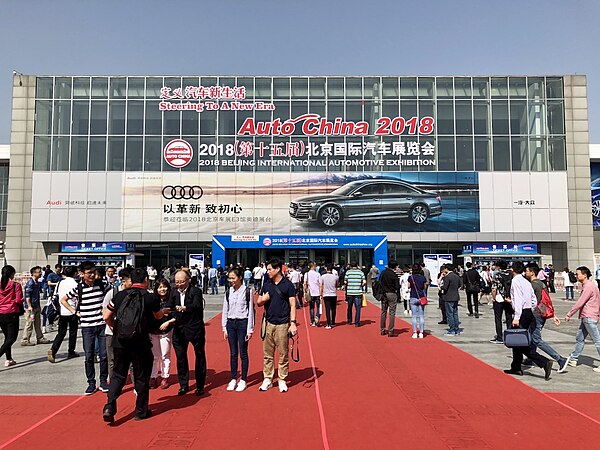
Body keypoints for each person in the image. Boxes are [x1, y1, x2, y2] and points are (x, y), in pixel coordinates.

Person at [102, 268, 165, 423]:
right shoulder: (150, 298)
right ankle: (141, 411)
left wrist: (114, 328)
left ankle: (109, 405)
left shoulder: (120, 295)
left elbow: (106, 316)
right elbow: (158, 316)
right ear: (145, 280)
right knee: (141, 376)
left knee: (118, 374)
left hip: (120, 341)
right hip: (140, 342)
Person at [61, 260, 111, 395]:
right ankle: (91, 383)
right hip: (87, 326)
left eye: (94, 272)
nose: (93, 275)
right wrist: (74, 312)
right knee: (89, 355)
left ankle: (103, 382)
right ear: (81, 274)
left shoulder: (103, 285)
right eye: (89, 273)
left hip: (101, 325)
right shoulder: (79, 288)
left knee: (104, 355)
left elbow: (112, 297)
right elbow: (63, 300)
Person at [503, 261, 552, 381]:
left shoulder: (516, 281)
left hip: (521, 313)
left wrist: (517, 317)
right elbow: (534, 299)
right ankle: (516, 366)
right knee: (518, 341)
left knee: (519, 341)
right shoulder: (526, 281)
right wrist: (530, 309)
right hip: (528, 312)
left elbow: (519, 300)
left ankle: (543, 361)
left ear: (513, 270)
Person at [256, 258, 297, 393]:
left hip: (283, 324)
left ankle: (282, 379)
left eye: (269, 269)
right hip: (268, 323)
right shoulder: (266, 285)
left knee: (283, 353)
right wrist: (263, 299)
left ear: (278, 269)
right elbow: (258, 302)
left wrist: (293, 323)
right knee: (267, 353)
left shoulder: (288, 285)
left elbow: (292, 305)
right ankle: (267, 378)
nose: (267, 271)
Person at [166, 269, 206, 396]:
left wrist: (185, 308)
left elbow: (197, 306)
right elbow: (170, 307)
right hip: (179, 329)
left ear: (188, 281)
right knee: (181, 358)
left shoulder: (195, 291)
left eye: (181, 282)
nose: (179, 284)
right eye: (176, 282)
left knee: (199, 356)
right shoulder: (173, 292)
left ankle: (200, 385)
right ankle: (183, 385)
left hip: (194, 328)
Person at [523, 263, 568, 372]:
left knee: (536, 339)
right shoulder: (541, 284)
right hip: (541, 314)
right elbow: (546, 301)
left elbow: (531, 302)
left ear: (532, 272)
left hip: (536, 315)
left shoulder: (532, 285)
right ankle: (531, 358)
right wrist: (552, 314)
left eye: (527, 271)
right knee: (532, 337)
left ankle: (560, 359)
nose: (525, 273)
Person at [222, 267, 254, 392]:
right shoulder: (229, 291)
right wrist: (224, 327)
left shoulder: (247, 291)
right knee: (233, 353)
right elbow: (225, 309)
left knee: (243, 352)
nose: (231, 280)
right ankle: (233, 378)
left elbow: (250, 311)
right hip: (231, 323)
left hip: (242, 323)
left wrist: (249, 329)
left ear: (240, 277)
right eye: (229, 278)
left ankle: (244, 379)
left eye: (233, 278)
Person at [564, 266, 600, 372]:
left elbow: (580, 302)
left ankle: (574, 358)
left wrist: (569, 314)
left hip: (589, 316)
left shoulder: (588, 286)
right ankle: (574, 358)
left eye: (577, 274)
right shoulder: (591, 285)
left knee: (597, 341)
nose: (576, 275)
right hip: (588, 316)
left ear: (584, 275)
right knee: (580, 338)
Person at [101, 268, 132, 377]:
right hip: (112, 332)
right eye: (131, 280)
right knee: (112, 359)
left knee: (132, 360)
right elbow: (105, 314)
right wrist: (113, 327)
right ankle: (113, 382)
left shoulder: (134, 293)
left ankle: (136, 384)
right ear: (124, 281)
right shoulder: (112, 293)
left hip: (130, 333)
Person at [48, 266, 80, 363]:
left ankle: (53, 350)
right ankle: (71, 351)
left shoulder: (60, 282)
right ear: (74, 273)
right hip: (72, 310)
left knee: (61, 332)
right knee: (73, 332)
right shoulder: (75, 283)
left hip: (62, 310)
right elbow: (77, 297)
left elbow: (56, 294)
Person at [150, 278, 175, 389]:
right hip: (153, 331)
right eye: (160, 287)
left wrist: (168, 322)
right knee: (154, 356)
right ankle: (153, 377)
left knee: (165, 355)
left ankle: (165, 377)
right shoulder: (152, 300)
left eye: (164, 287)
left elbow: (177, 315)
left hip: (166, 331)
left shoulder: (172, 299)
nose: (162, 289)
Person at [0, 265, 24, 367]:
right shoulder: (15, 285)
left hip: (1, 313)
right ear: (11, 274)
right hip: (12, 313)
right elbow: (19, 300)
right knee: (12, 338)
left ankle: (9, 359)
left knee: (7, 337)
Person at [21, 266, 51, 346]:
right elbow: (27, 296)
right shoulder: (30, 283)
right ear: (34, 273)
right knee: (29, 323)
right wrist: (29, 306)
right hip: (31, 307)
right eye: (39, 272)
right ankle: (25, 339)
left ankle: (40, 338)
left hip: (36, 306)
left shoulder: (37, 282)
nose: (41, 273)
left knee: (38, 323)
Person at [490, 260, 513, 344]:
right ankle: (510, 336)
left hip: (499, 298)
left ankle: (499, 337)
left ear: (499, 267)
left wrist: (493, 298)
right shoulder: (511, 275)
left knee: (498, 318)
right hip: (509, 298)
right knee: (509, 317)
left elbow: (494, 288)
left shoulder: (497, 275)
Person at [379, 261, 400, 337]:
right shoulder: (394, 275)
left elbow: (379, 282)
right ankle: (391, 330)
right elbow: (397, 286)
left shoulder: (383, 273)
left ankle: (382, 329)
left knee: (383, 312)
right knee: (392, 312)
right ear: (395, 267)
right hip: (392, 293)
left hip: (384, 294)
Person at [440, 264, 462, 336]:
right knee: (455, 313)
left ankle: (452, 330)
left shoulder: (447, 277)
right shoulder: (456, 276)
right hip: (455, 296)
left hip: (449, 297)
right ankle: (456, 329)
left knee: (449, 314)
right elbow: (460, 285)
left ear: (446, 269)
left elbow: (445, 287)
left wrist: (441, 287)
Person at [408, 264, 428, 339]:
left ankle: (415, 332)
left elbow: (408, 286)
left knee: (414, 316)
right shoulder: (423, 278)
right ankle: (421, 332)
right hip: (421, 297)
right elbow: (424, 287)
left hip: (413, 297)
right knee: (421, 316)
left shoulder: (411, 277)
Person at [345, 261, 365, 327]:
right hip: (358, 292)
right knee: (358, 308)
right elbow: (364, 282)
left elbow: (345, 282)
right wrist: (360, 285)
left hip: (350, 292)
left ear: (350, 266)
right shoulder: (360, 272)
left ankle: (349, 320)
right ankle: (357, 322)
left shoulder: (348, 272)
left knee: (349, 307)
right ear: (357, 265)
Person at [320, 264, 338, 329]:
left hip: (326, 294)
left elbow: (321, 285)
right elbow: (336, 285)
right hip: (333, 294)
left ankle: (328, 323)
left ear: (326, 269)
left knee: (327, 309)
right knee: (333, 309)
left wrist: (320, 294)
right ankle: (333, 322)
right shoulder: (335, 277)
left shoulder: (323, 276)